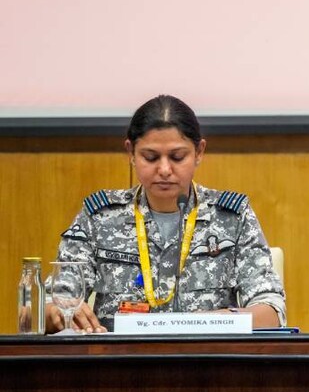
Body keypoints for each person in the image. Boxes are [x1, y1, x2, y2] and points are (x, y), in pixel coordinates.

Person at [46, 95, 286, 333]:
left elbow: (272, 311)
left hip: (206, 354)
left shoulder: (231, 217)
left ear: (199, 152)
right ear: (131, 152)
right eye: (150, 157)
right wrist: (59, 311)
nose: (164, 169)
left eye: (177, 157)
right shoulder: (100, 217)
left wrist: (211, 321)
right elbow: (46, 307)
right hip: (121, 355)